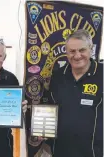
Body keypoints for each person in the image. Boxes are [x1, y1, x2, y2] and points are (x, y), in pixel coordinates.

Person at [44, 29, 103, 157]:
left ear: (90, 49)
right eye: (72, 51)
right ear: (66, 52)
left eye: (82, 50)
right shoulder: (57, 76)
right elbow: (50, 108)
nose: (77, 56)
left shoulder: (102, 74)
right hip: (60, 152)